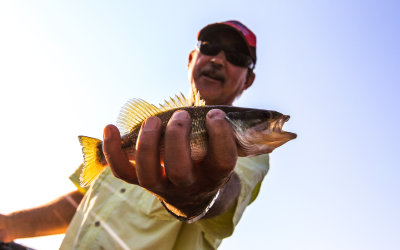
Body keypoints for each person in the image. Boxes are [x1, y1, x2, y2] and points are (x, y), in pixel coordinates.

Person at [0, 20, 270, 249]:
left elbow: (229, 193)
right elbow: (78, 203)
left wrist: (206, 191)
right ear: (191, 59)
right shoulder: (150, 124)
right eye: (209, 48)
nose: (218, 60)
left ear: (248, 80)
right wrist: (8, 225)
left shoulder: (251, 146)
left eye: (236, 57)